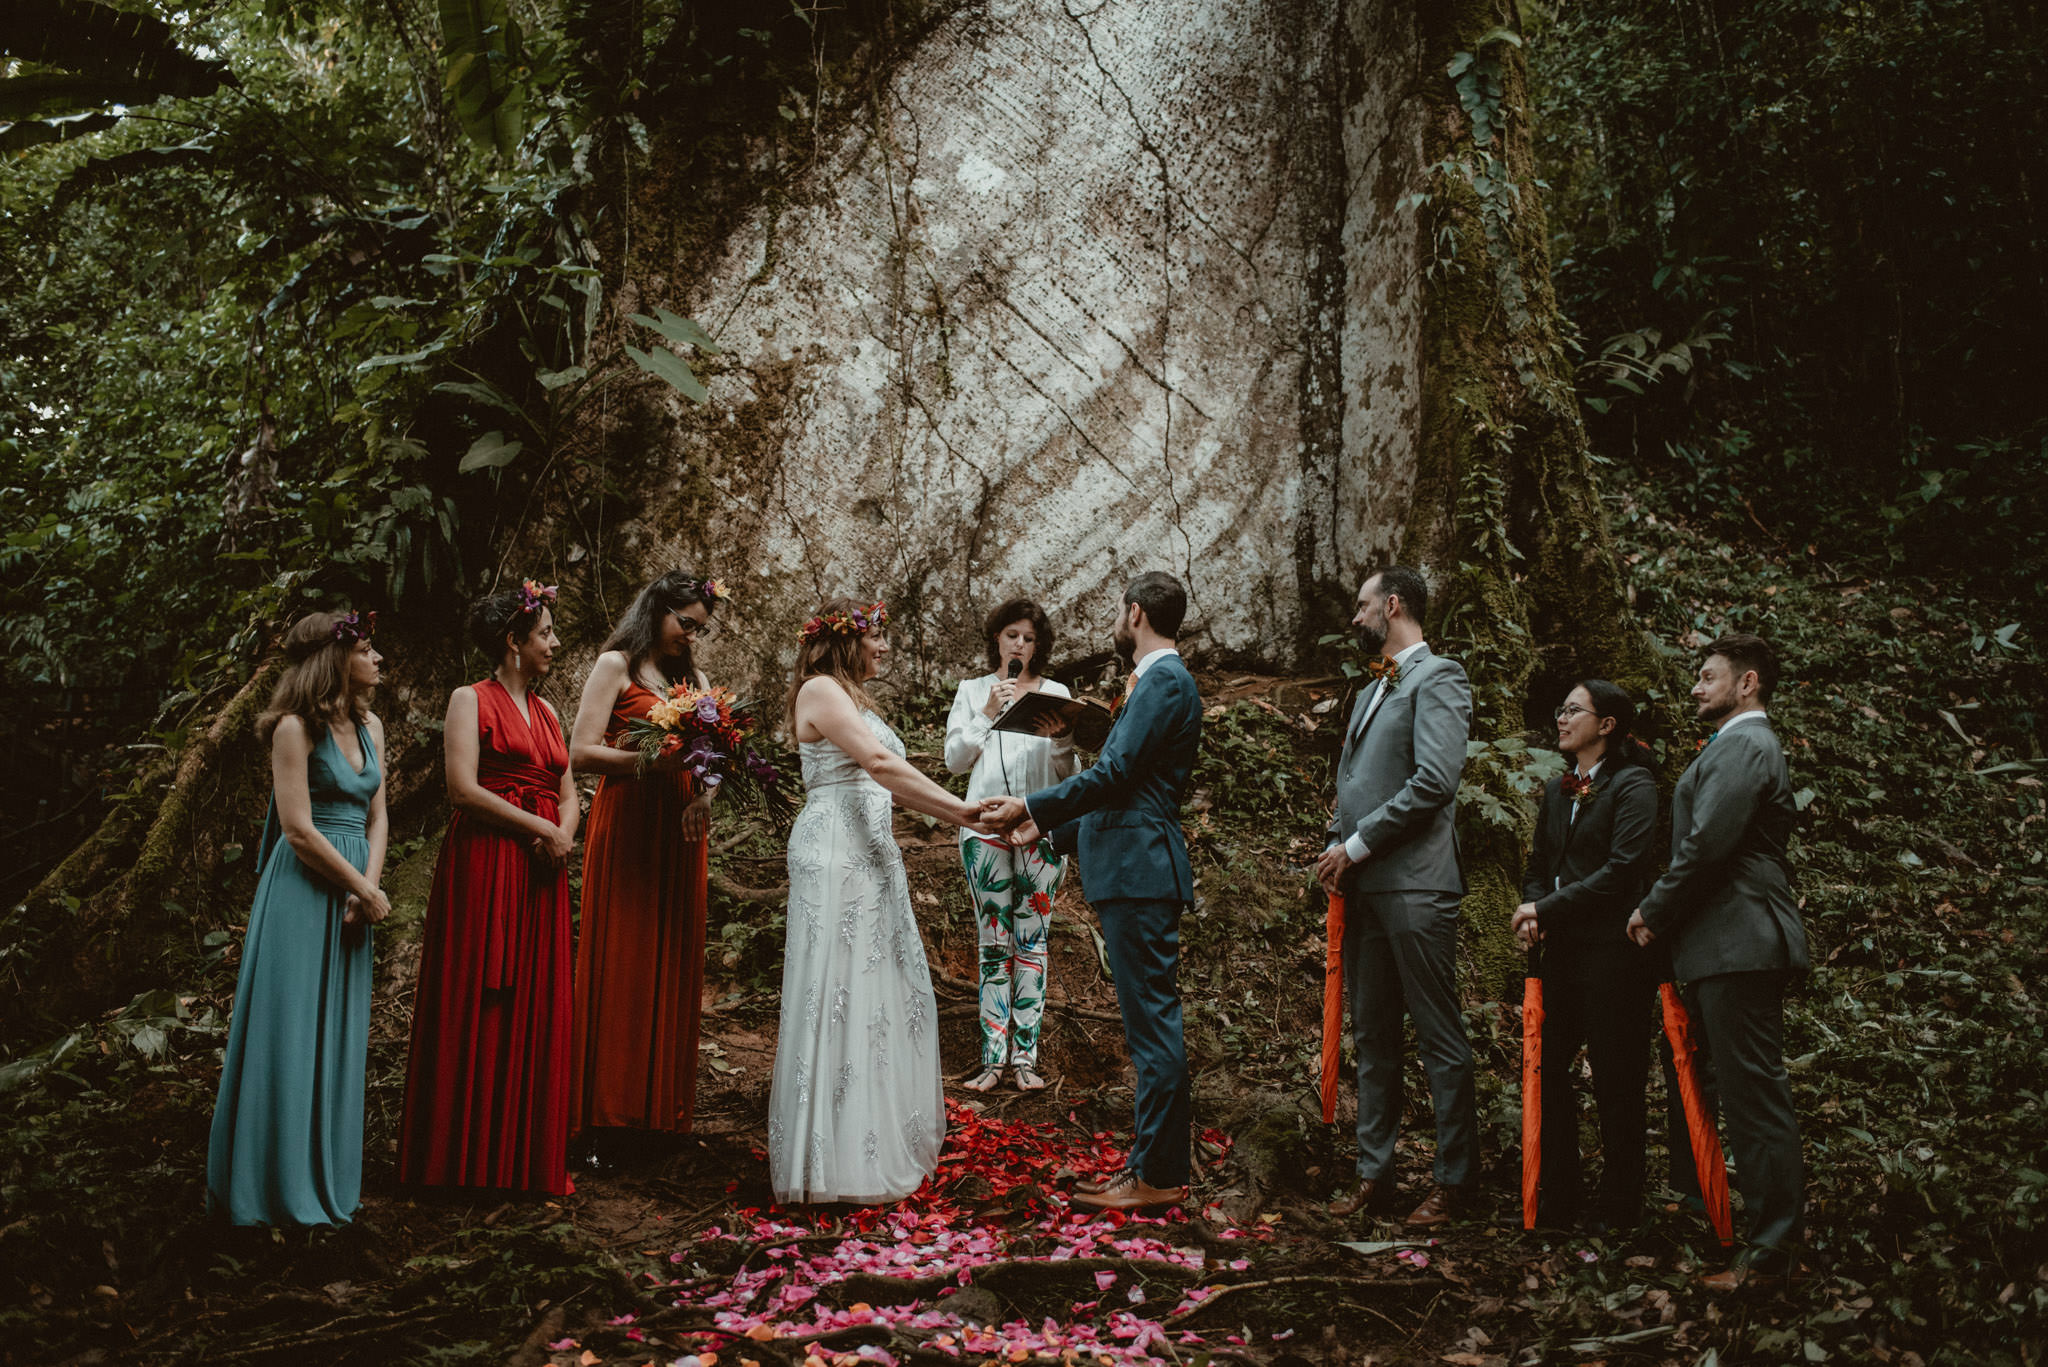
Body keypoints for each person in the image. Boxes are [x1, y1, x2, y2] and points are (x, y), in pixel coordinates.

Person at [983, 571, 1203, 1213]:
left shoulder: (1163, 679)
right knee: (1147, 1025)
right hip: (1129, 864)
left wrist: (1032, 803)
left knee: (1152, 1026)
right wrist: (1042, 827)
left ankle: (1158, 1175)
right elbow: (1130, 787)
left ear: (1134, 613)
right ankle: (1149, 1163)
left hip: (1141, 870)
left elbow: (1117, 775)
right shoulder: (1154, 682)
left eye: (1118, 609)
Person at [771, 596, 989, 1205]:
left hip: (871, 852)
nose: (886, 648)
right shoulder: (819, 690)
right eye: (876, 637)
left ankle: (869, 1137)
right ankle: (834, 1161)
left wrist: (956, 811)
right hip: (837, 851)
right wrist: (961, 812)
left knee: (878, 990)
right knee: (839, 990)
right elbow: (876, 761)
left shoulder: (852, 696)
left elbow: (884, 766)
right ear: (844, 641)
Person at [1629, 633, 1807, 1289]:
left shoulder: (1748, 743)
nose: (1696, 688)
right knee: (1740, 1091)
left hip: (1741, 939)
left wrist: (1654, 909)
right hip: (1721, 944)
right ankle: (1745, 1231)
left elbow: (1707, 845)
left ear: (1749, 682)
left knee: (1754, 1097)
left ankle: (1771, 1254)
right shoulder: (1732, 744)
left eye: (1708, 676)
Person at [207, 609, 390, 1225]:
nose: (377, 658)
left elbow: (378, 815)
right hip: (304, 890)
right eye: (366, 648)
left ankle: (325, 1178)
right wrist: (358, 885)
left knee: (337, 1034)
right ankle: (268, 1188)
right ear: (335, 659)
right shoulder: (293, 729)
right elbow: (297, 829)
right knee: (288, 1033)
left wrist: (368, 890)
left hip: (352, 893)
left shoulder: (373, 727)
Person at [397, 582, 579, 1194]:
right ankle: (461, 1160)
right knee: (481, 993)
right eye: (546, 632)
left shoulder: (552, 712)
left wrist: (563, 833)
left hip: (541, 868)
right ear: (514, 641)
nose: (554, 642)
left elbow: (570, 788)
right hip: (488, 862)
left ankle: (522, 1160)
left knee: (536, 996)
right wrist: (539, 828)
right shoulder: (469, 700)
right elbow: (462, 790)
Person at [1315, 565, 1477, 1228]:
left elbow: (1435, 780)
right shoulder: (1368, 689)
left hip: (1416, 882)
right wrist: (1335, 844)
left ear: (1393, 604)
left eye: (1362, 606)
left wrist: (1356, 845)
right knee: (1373, 1036)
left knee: (1439, 1037)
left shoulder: (1440, 677)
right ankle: (1372, 1175)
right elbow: (1353, 781)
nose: (1355, 619)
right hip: (1365, 888)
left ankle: (1454, 1181)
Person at [567, 571, 725, 1162]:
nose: (691, 637)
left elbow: (712, 761)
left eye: (700, 629)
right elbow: (579, 752)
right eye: (685, 624)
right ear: (656, 609)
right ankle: (606, 1120)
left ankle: (662, 1119)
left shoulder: (697, 679)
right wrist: (652, 761)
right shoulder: (616, 665)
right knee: (625, 957)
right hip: (631, 817)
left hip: (681, 826)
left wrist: (705, 793)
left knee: (672, 957)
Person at [1511, 680, 1661, 1232]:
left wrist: (1546, 909)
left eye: (1574, 709)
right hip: (1560, 955)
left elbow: (1623, 871)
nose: (1562, 718)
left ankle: (1621, 1205)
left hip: (1615, 955)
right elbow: (1537, 862)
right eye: (1562, 707)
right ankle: (1559, 1195)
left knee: (1616, 1077)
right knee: (1547, 1070)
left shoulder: (1635, 786)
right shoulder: (1556, 790)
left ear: (1607, 725)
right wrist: (1532, 905)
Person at [944, 599, 1078, 1093]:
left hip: (1039, 829)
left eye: (1028, 637)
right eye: (1011, 635)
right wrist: (986, 714)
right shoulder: (974, 691)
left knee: (1033, 941)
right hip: (983, 830)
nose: (1019, 644)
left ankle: (1026, 1058)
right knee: (993, 943)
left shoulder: (1056, 693)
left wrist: (1063, 741)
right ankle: (992, 1059)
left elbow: (1071, 778)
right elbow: (955, 762)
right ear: (997, 640)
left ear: (1038, 645)